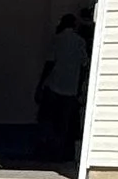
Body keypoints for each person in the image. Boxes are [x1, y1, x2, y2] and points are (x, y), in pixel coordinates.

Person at [34, 9, 92, 165]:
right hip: (71, 88)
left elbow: (50, 63)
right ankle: (59, 155)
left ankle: (44, 153)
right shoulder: (80, 42)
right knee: (63, 124)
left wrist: (40, 85)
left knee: (47, 121)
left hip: (53, 86)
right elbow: (85, 65)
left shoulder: (57, 39)